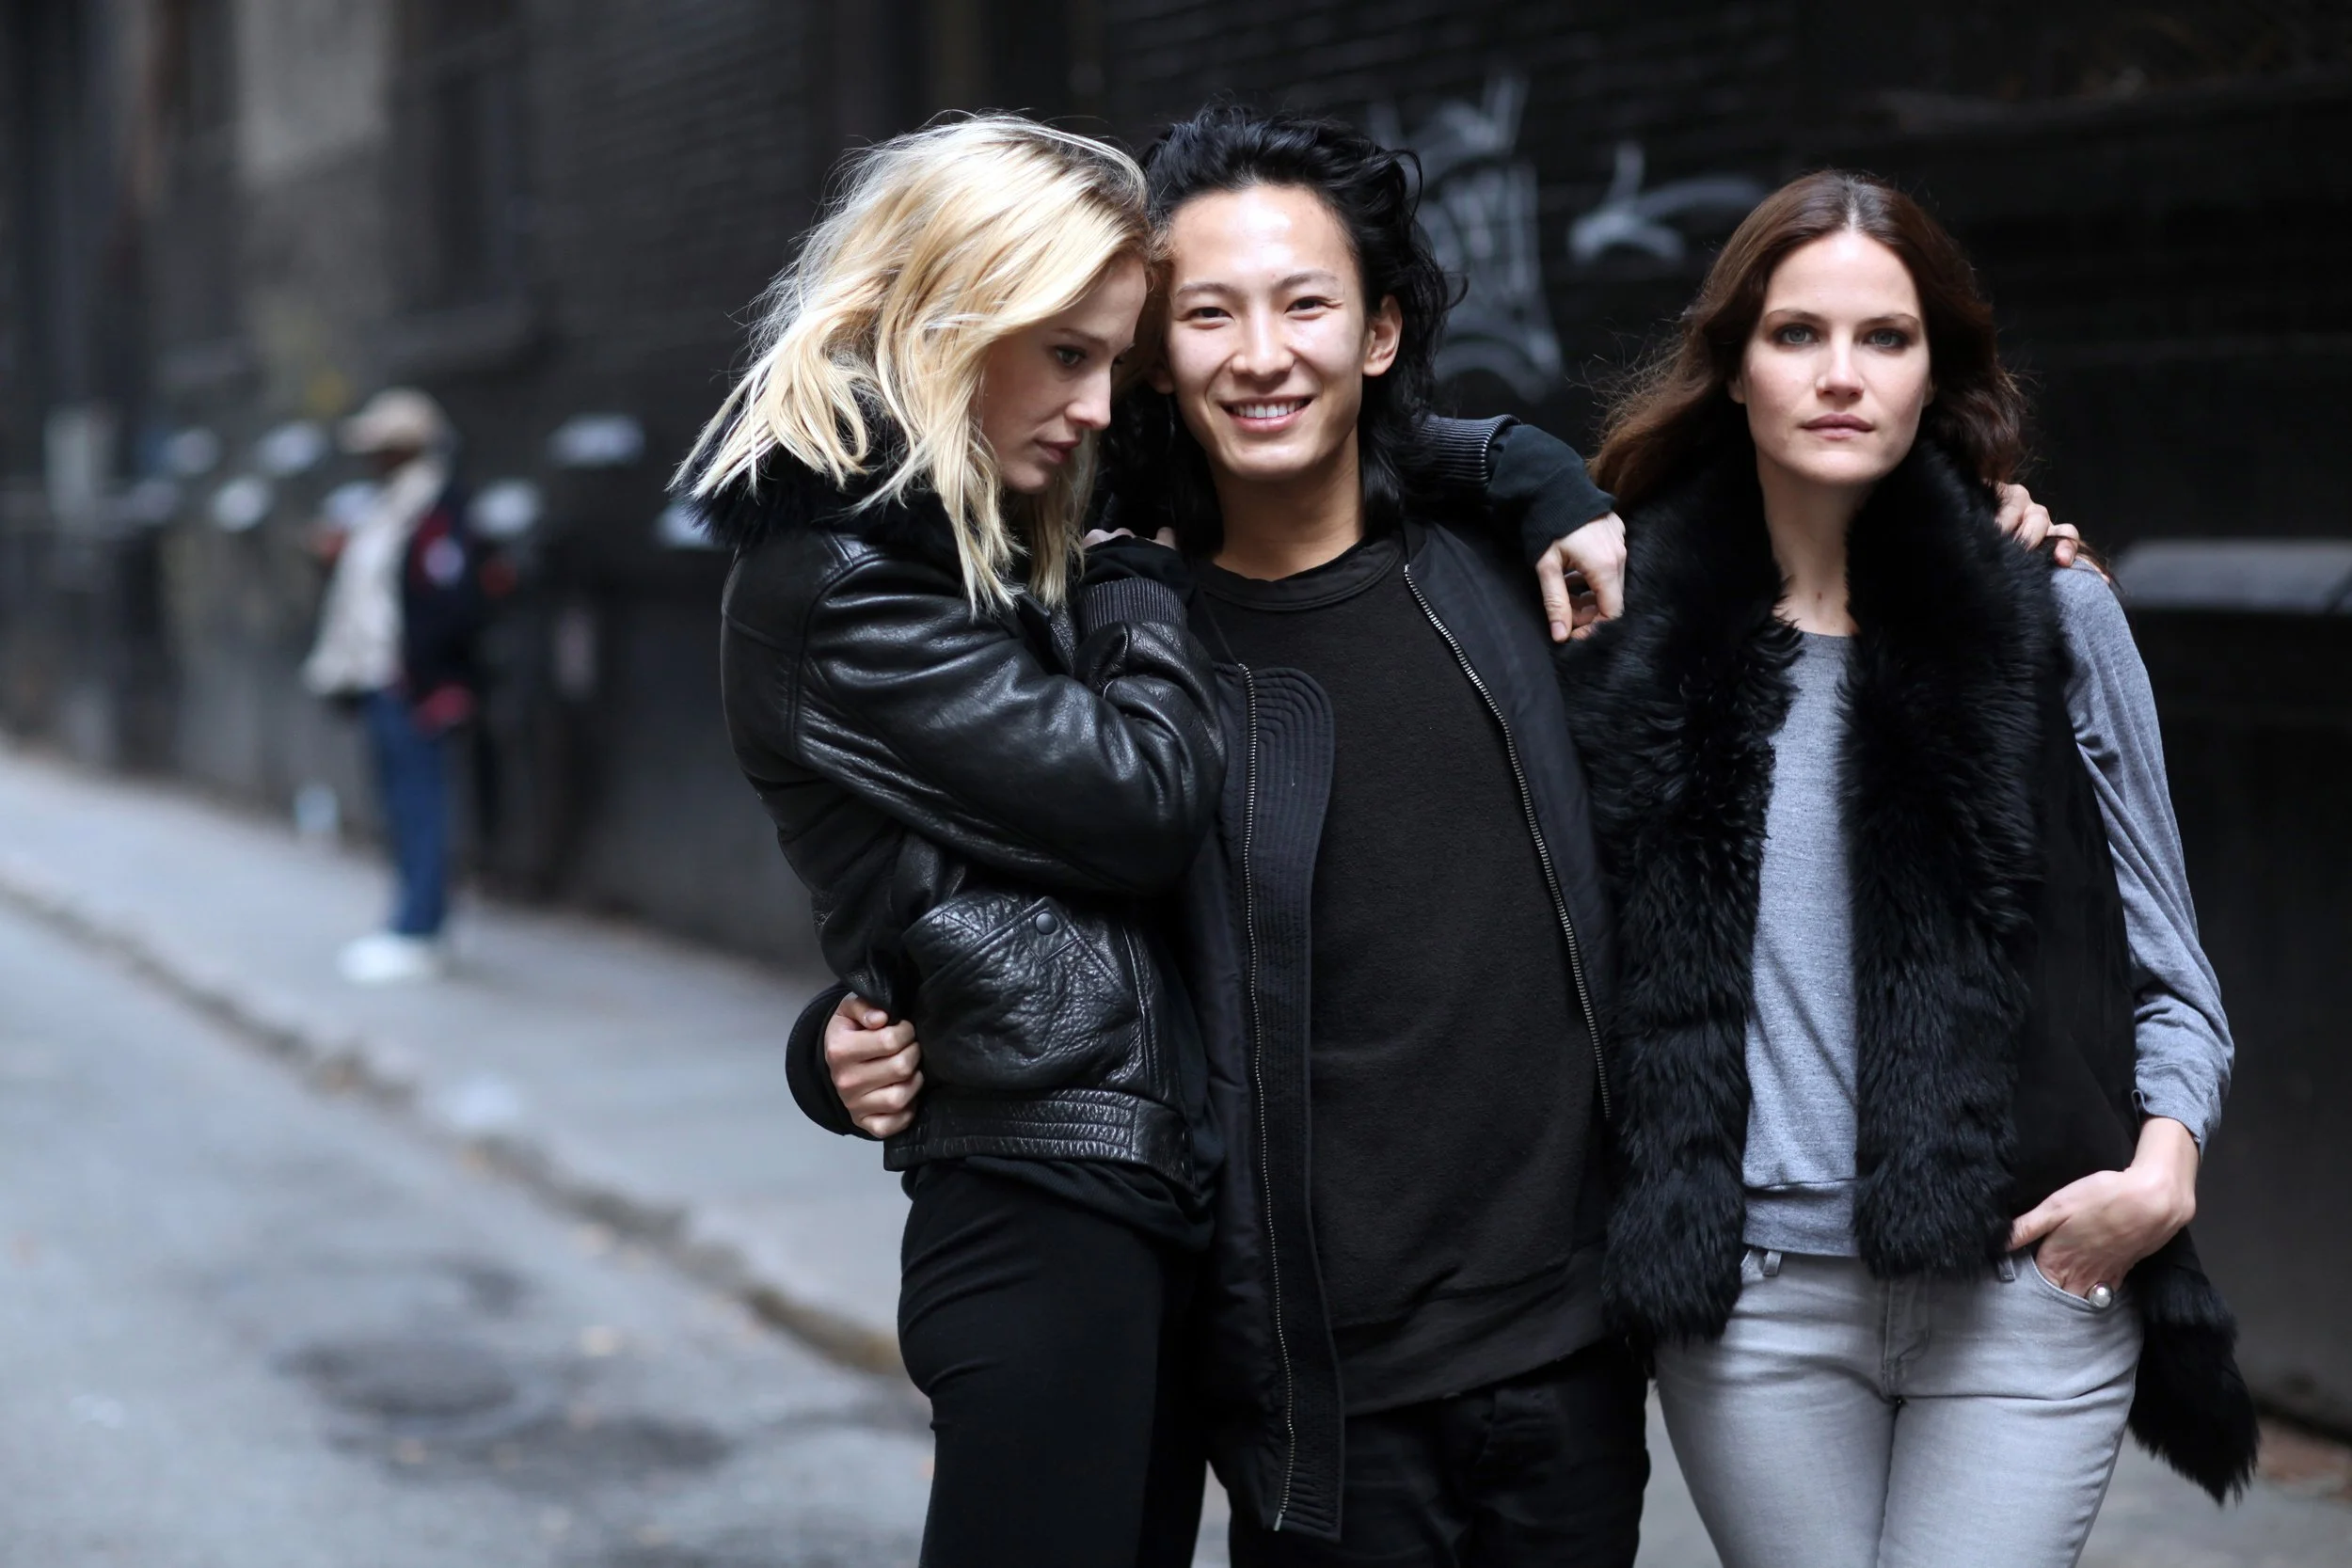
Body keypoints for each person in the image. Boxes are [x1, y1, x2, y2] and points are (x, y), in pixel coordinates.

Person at [820, 112, 2079, 1566]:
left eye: (1306, 304)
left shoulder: (1541, 579)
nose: (1260, 352)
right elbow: (995, 912)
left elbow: (1814, 575)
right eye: (1207, 313)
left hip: (1568, 1354)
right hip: (1313, 1390)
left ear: (1379, 331)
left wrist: (1994, 544)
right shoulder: (1113, 638)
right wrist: (841, 1032)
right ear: (1156, 352)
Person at [1560, 169, 2255, 1568]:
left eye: (1885, 337)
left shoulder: (2051, 613)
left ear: (1938, 368)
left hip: (2025, 1282)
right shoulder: (1623, 625)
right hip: (1755, 1306)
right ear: (1732, 363)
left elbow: (2174, 967)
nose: (1839, 375)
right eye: (1795, 333)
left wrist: (2161, 1173)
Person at [682, 118, 1229, 1568]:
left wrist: (1525, 475)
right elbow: (1138, 801)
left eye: (1116, 359)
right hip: (1044, 1209)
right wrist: (1133, 578)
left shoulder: (975, 533)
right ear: (950, 315)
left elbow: (963, 877)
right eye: (1066, 353)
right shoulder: (848, 583)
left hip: (1118, 1182)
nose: (1104, 407)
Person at [304, 387, 489, 985]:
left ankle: (420, 930)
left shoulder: (437, 511)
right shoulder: (384, 509)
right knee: (402, 807)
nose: (371, 460)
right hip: (381, 681)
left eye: (381, 449)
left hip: (415, 685)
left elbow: (451, 601)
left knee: (422, 806)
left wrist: (429, 674)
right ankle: (410, 923)